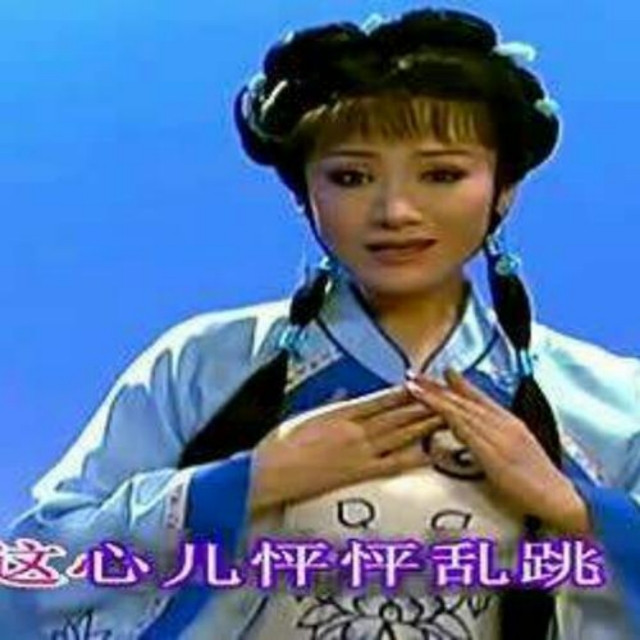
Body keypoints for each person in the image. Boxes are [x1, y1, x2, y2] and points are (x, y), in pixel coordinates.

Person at [7, 7, 640, 640]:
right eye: (351, 176)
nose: (395, 210)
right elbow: (26, 577)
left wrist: (576, 510)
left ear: (504, 189)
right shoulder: (201, 365)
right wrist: (244, 484)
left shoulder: (609, 400)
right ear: (303, 193)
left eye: (442, 174)